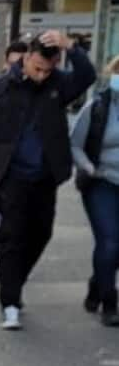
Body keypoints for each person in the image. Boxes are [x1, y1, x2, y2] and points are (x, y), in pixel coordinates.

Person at [0, 31, 97, 329]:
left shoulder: (58, 85)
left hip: (45, 176)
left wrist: (70, 46)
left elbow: (87, 75)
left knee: (40, 234)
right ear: (27, 58)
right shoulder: (1, 88)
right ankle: (9, 303)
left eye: (48, 69)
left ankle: (16, 280)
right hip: (10, 176)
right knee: (12, 238)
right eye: (37, 68)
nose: (42, 75)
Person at [71, 55, 119, 326]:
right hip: (102, 182)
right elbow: (75, 143)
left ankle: (96, 284)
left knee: (114, 248)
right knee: (110, 241)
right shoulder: (98, 107)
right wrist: (88, 167)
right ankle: (110, 302)